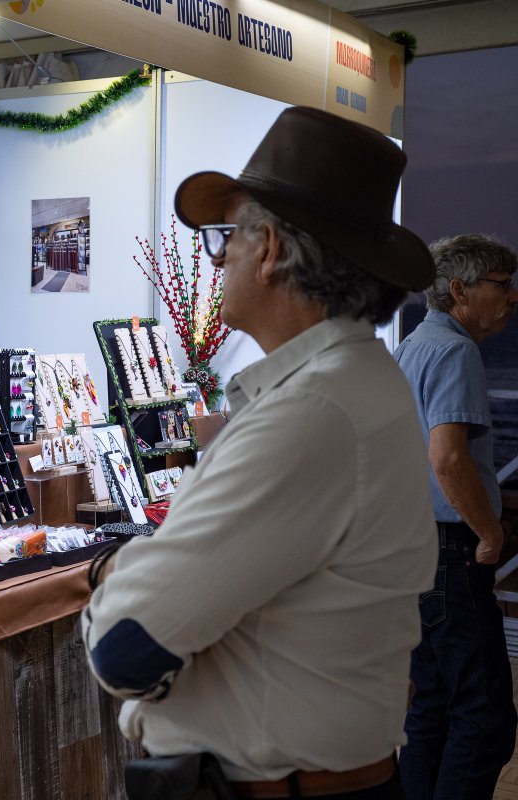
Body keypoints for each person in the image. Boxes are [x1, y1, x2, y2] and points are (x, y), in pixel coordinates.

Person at [81, 106, 438, 798]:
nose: (219, 261)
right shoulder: (354, 383)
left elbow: (123, 648)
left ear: (270, 248)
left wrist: (110, 574)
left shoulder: (311, 413)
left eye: (225, 240)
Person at [394, 234, 518, 800]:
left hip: (414, 549)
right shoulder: (455, 351)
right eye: (502, 284)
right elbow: (446, 457)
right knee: (485, 720)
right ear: (461, 290)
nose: (512, 297)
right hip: (450, 551)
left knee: (432, 712)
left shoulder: (413, 344)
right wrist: (490, 532)